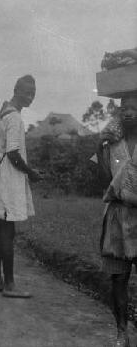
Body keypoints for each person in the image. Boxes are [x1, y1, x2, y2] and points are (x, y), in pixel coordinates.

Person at [0, 75, 41, 298]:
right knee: (7, 232)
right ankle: (9, 285)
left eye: (32, 94)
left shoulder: (2, 115)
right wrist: (31, 173)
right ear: (15, 89)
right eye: (26, 92)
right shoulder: (14, 117)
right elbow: (13, 153)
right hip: (9, 178)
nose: (29, 97)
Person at [95, 92, 137, 347]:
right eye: (125, 109)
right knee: (118, 278)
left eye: (134, 108)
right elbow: (102, 181)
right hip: (117, 216)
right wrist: (98, 149)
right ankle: (122, 331)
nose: (129, 113)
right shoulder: (112, 143)